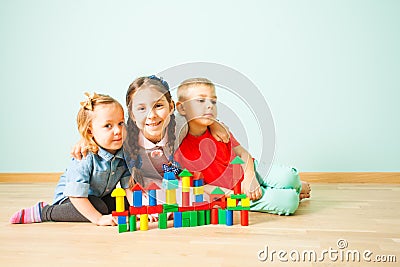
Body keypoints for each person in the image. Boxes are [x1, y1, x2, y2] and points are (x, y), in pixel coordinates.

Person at [70, 76, 230, 220]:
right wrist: (84, 140)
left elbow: (198, 117)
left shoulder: (179, 125)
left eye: (158, 105)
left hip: (173, 180)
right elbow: (102, 133)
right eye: (141, 109)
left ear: (171, 106)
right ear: (132, 115)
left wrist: (216, 125)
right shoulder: (125, 136)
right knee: (156, 206)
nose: (151, 115)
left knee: (198, 197)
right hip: (144, 185)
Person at [174, 78, 311, 215]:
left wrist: (250, 177)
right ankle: (294, 191)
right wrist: (232, 194)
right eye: (201, 100)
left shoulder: (219, 130)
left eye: (213, 101)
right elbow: (195, 186)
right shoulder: (175, 145)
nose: (210, 105)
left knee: (290, 177)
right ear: (181, 107)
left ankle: (294, 186)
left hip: (250, 170)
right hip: (233, 194)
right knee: (289, 201)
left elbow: (242, 154)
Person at [10, 93, 131, 225]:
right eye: (108, 126)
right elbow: (76, 195)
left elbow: (128, 187)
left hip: (98, 197)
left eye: (120, 123)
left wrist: (139, 210)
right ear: (90, 131)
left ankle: (101, 210)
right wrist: (98, 218)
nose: (118, 130)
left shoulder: (123, 155)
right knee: (99, 207)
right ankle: (45, 212)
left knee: (124, 202)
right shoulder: (85, 155)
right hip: (71, 199)